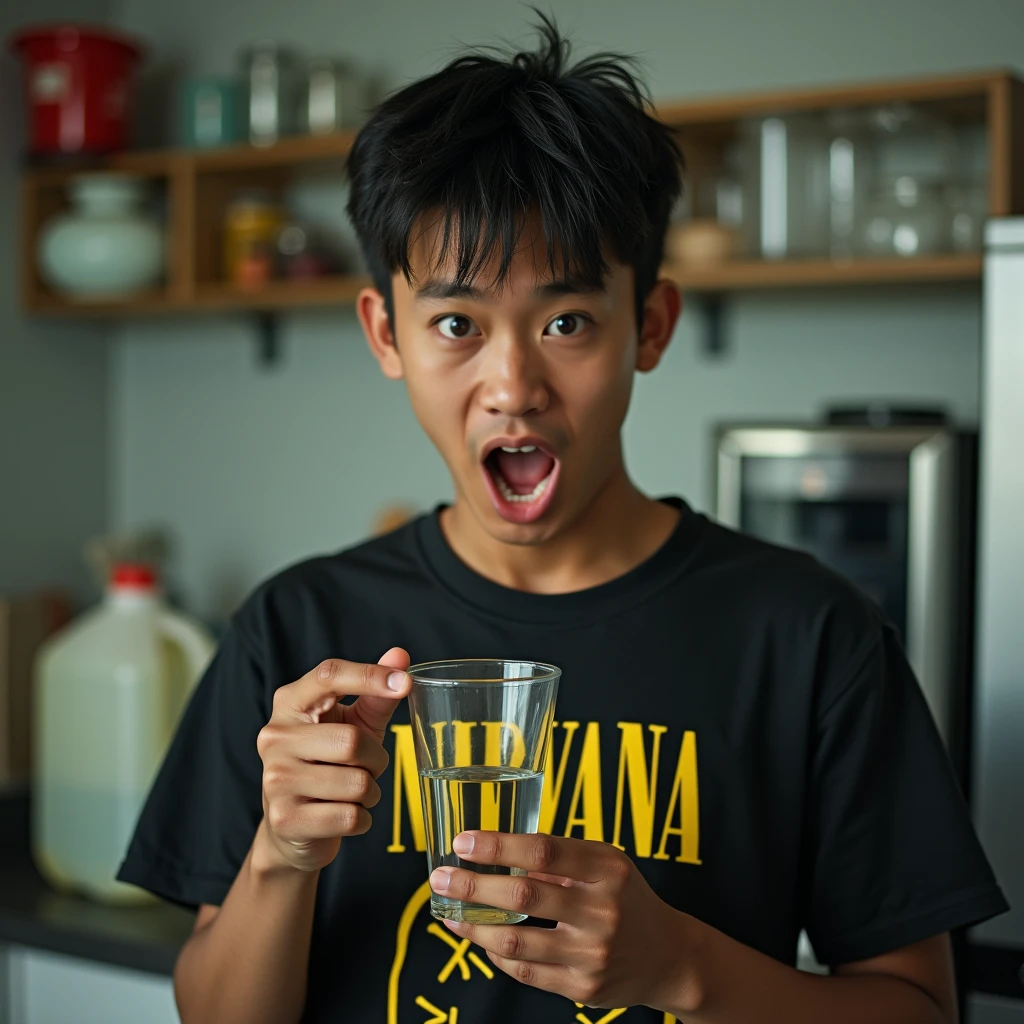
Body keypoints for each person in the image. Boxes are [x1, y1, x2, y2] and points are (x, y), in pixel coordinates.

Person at [119, 15, 1007, 1024]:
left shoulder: (811, 636)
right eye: (456, 323)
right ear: (385, 334)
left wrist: (684, 967)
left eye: (566, 321)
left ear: (651, 325)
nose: (513, 385)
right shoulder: (296, 630)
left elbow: (920, 1011)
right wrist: (280, 856)